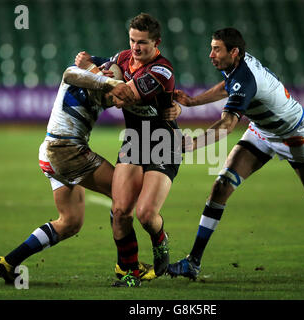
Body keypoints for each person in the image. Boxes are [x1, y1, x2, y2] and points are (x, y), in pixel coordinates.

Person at [167, 27, 304, 280]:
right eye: (211, 48)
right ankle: (193, 262)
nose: (210, 54)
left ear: (233, 52)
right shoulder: (235, 66)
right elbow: (228, 86)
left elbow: (226, 125)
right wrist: (193, 102)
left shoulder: (246, 77)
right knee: (222, 185)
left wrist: (193, 144)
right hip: (262, 132)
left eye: (216, 49)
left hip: (295, 134)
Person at [0, 54, 181, 284]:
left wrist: (172, 108)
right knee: (123, 197)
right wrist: (111, 82)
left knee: (70, 222)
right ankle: (127, 267)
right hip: (68, 152)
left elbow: (124, 93)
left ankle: (9, 262)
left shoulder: (88, 77)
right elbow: (87, 80)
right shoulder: (97, 85)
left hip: (49, 153)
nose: (114, 95)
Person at [76, 13, 182, 287]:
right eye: (133, 40)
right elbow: (109, 77)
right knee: (121, 210)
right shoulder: (124, 57)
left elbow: (122, 96)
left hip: (162, 142)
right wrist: (97, 68)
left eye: (142, 43)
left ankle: (160, 239)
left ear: (157, 43)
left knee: (146, 214)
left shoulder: (162, 70)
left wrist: (92, 71)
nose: (136, 47)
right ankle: (129, 272)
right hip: (135, 140)